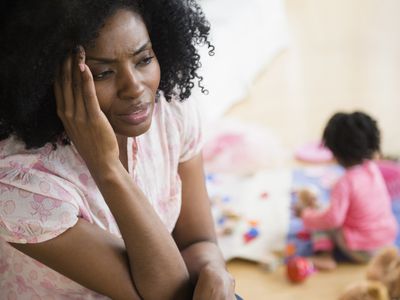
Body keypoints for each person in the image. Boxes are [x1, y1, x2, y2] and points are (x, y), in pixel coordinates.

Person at [0, 1, 238, 299]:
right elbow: (169, 292)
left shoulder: (171, 110)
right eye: (102, 73)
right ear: (49, 78)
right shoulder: (21, 184)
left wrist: (213, 269)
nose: (134, 87)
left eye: (144, 59)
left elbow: (195, 241)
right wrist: (107, 167)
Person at [296, 111, 398, 271]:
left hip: (363, 250)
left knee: (321, 216)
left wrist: (306, 215)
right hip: (387, 241)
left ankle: (324, 257)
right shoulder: (372, 168)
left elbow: (332, 220)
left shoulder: (344, 183)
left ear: (334, 151)